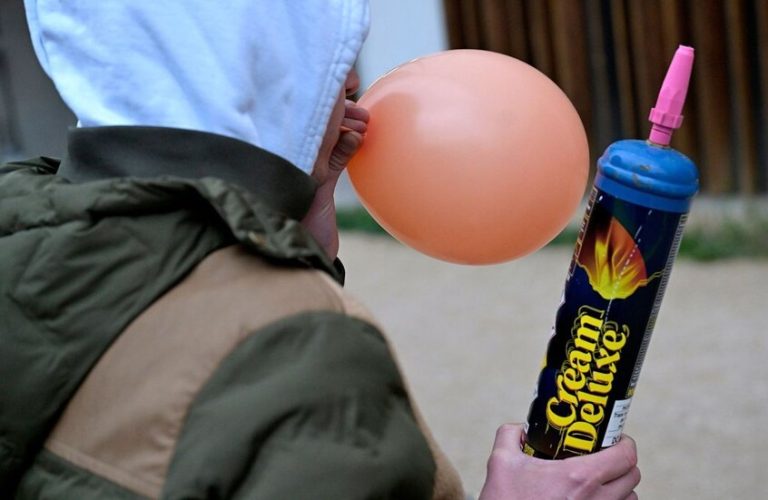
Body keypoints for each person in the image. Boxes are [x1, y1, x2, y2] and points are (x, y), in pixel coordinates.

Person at [0, 1, 640, 498]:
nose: (354, 82)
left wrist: (297, 236)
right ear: (265, 67)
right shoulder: (297, 344)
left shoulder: (20, 216)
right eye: (327, 62)